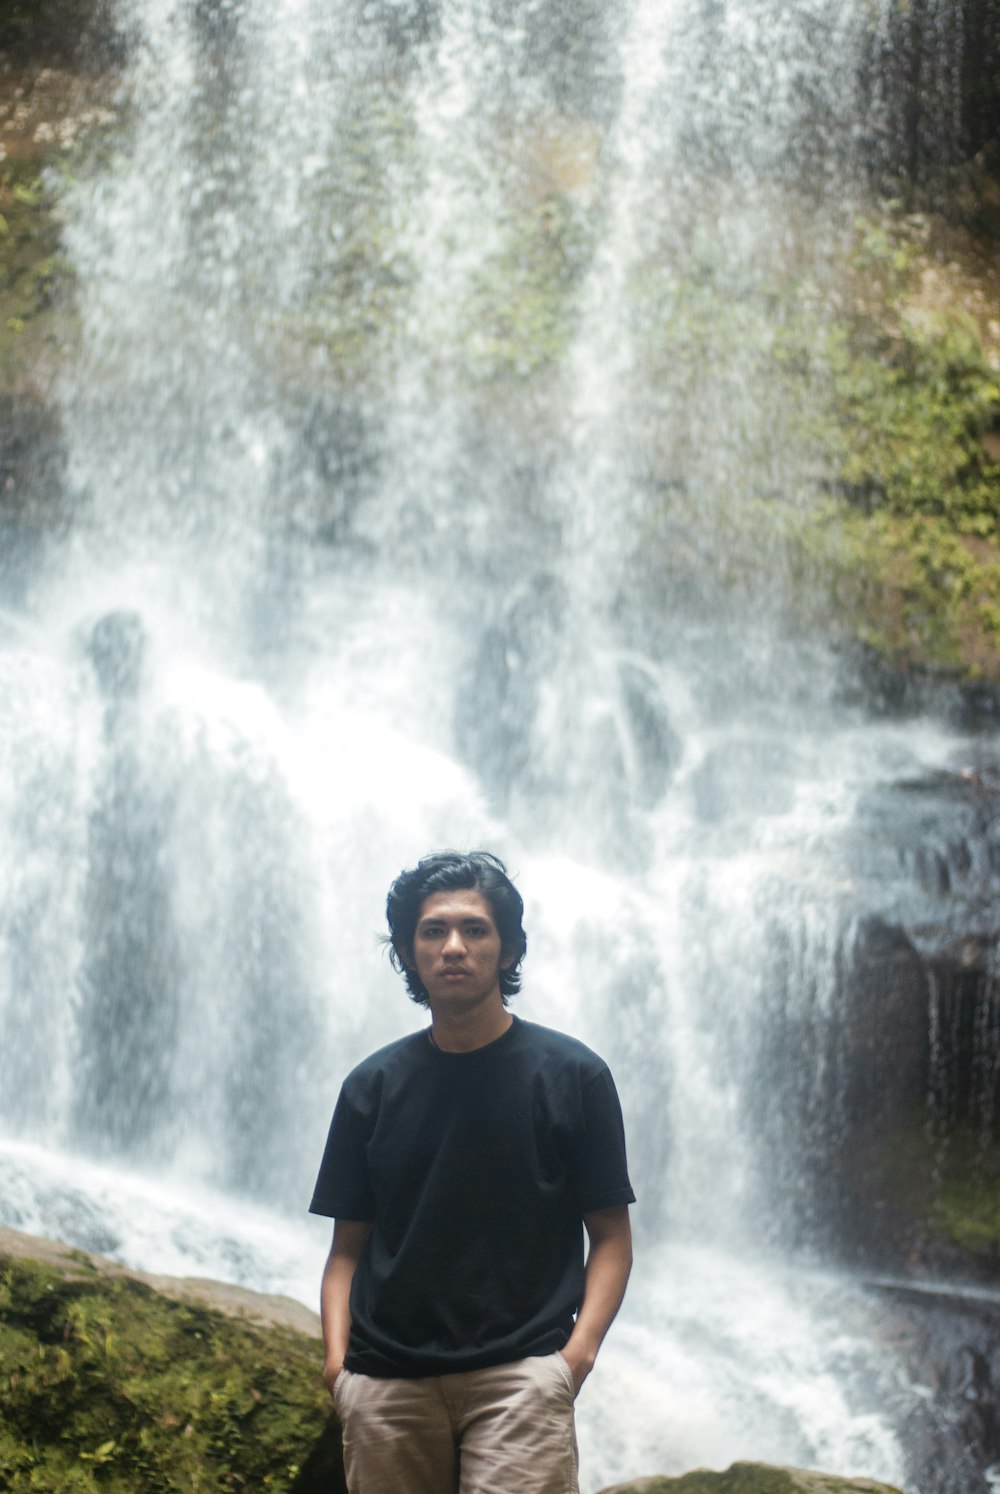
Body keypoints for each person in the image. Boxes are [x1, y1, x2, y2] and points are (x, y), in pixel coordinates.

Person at [310, 850, 635, 1494]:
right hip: (385, 1383)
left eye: (474, 929)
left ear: (508, 950)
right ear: (409, 953)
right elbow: (347, 1250)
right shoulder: (370, 1087)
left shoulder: (575, 1077)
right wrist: (338, 1368)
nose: (453, 947)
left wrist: (576, 1359)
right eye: (433, 931)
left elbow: (612, 1237)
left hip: (522, 1378)